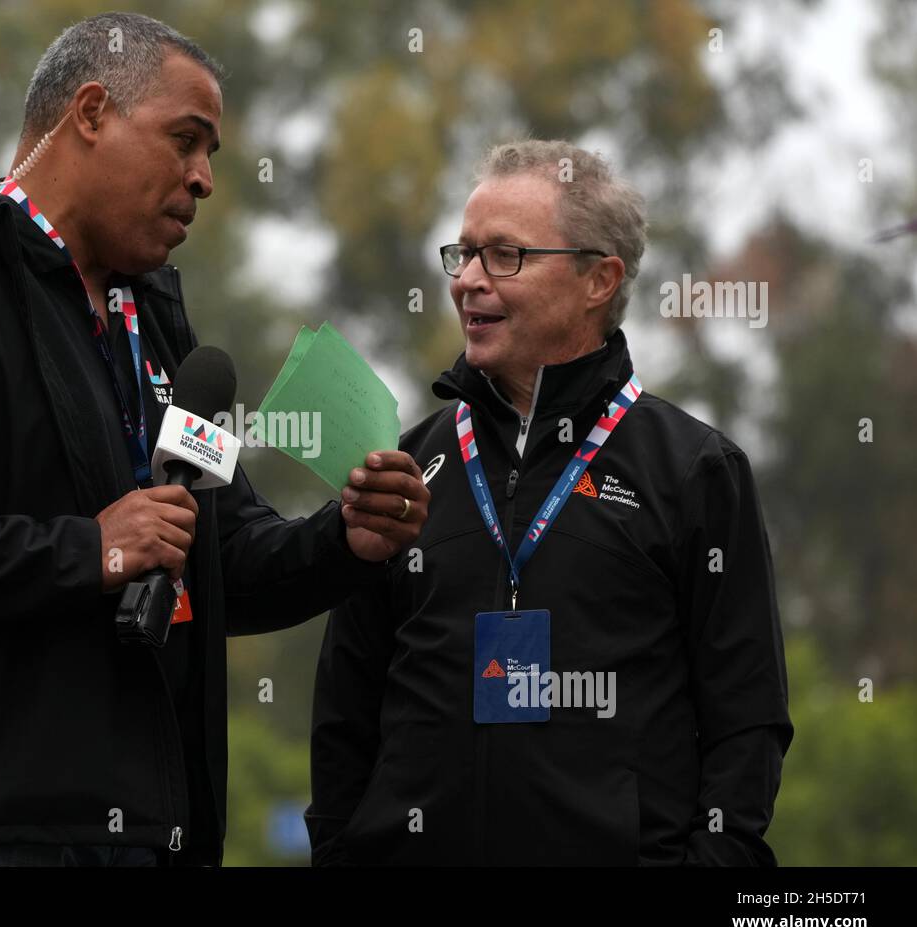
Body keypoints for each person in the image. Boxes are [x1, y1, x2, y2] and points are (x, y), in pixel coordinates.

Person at [0, 12, 428, 868]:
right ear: (89, 113)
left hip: (143, 841)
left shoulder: (158, 337)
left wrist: (345, 541)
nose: (203, 181)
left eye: (211, 156)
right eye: (184, 141)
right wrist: (84, 552)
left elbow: (218, 555)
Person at [307, 140, 792, 866]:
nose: (469, 280)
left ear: (599, 279)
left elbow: (745, 720)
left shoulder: (696, 471)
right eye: (462, 254)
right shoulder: (406, 467)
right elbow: (345, 713)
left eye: (504, 255)